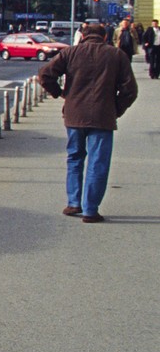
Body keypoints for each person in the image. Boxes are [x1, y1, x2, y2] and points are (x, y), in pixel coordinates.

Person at [38, 19, 138, 223]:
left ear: (82, 37)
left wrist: (60, 93)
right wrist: (116, 109)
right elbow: (130, 90)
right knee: (98, 163)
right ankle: (91, 210)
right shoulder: (116, 55)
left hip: (74, 114)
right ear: (105, 37)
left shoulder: (70, 53)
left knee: (74, 158)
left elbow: (45, 74)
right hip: (103, 116)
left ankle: (74, 202)